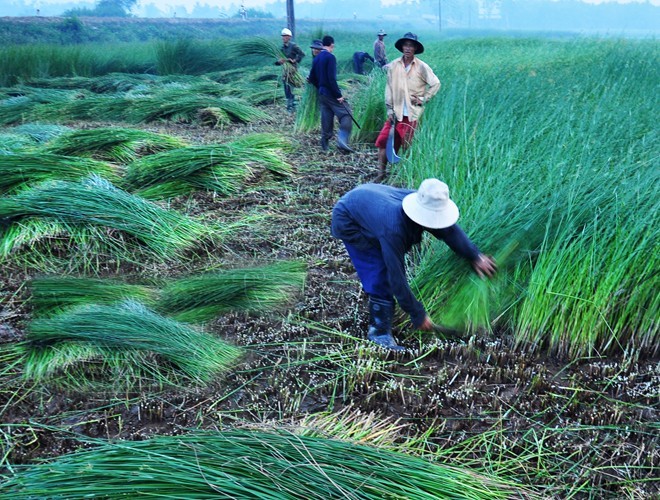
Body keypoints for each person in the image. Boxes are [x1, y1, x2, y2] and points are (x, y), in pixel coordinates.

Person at [331, 178, 497, 351]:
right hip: (349, 218)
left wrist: (476, 256)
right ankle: (379, 332)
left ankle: (382, 305)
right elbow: (396, 275)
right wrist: (417, 313)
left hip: (370, 202)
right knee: (380, 269)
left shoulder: (427, 200)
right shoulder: (393, 228)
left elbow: (449, 231)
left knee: (386, 256)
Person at [374, 32, 440, 182]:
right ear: (402, 47)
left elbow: (436, 83)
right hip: (395, 113)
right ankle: (381, 174)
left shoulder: (422, 67)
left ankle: (406, 177)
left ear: (415, 48)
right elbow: (389, 88)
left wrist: (423, 98)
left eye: (411, 45)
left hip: (412, 114)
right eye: (406, 45)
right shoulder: (394, 66)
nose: (408, 48)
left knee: (409, 146)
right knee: (383, 142)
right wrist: (389, 109)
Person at [307, 35, 354, 153]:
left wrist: (320, 88)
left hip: (322, 94)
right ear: (332, 45)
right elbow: (331, 79)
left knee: (326, 117)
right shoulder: (330, 57)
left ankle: (325, 143)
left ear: (323, 45)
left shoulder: (316, 58)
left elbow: (312, 78)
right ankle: (342, 140)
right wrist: (338, 95)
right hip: (330, 93)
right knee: (346, 114)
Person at [275, 28, 305, 113]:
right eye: (282, 36)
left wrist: (294, 60)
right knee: (286, 88)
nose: (283, 38)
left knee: (291, 87)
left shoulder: (293, 46)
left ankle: (291, 106)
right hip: (285, 71)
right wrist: (279, 62)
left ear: (289, 37)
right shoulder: (281, 48)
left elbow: (302, 54)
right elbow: (277, 61)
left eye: (285, 36)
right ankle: (290, 105)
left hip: (292, 71)